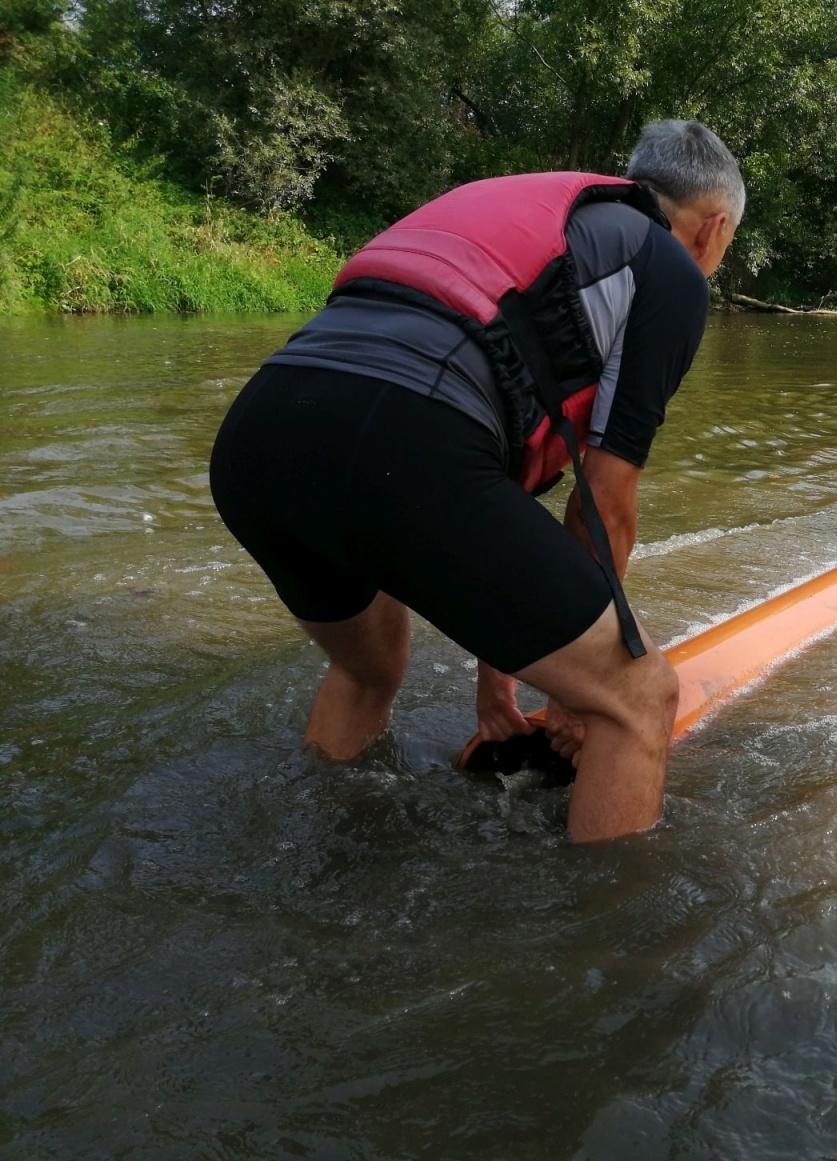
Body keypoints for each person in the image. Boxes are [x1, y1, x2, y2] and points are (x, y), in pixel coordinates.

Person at [208, 119, 744, 842]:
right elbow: (603, 503)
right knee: (639, 696)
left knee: (371, 670)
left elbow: (500, 519)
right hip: (407, 434)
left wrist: (498, 694)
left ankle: (327, 846)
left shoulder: (537, 212)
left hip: (258, 439)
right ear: (712, 230)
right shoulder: (671, 270)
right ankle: (615, 941)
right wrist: (577, 698)